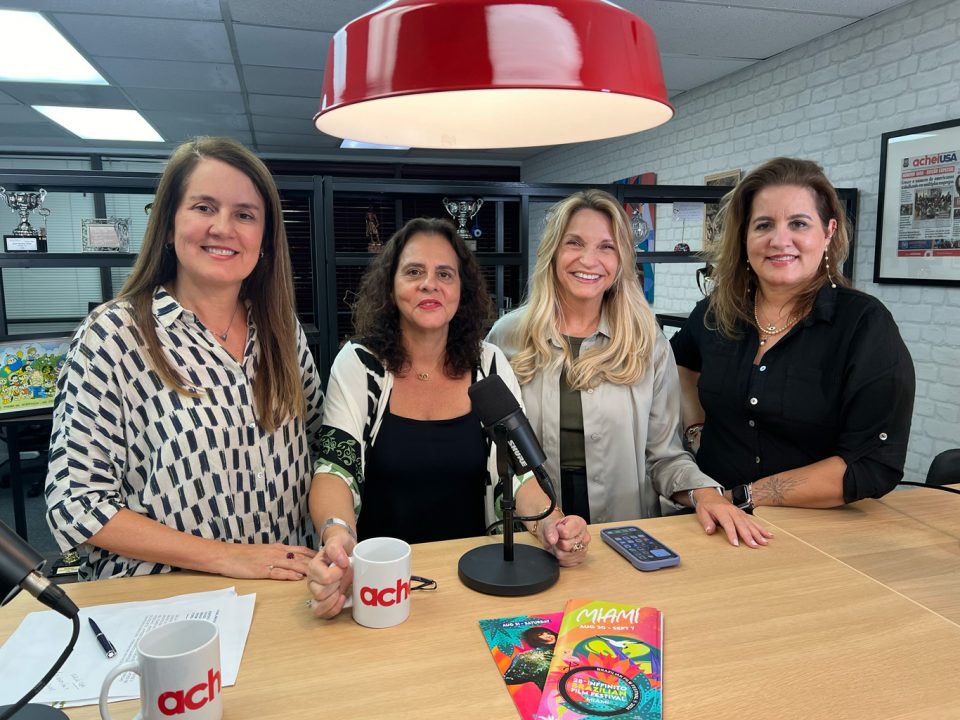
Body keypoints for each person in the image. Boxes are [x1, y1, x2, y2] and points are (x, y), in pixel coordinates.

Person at [45, 137, 323, 581]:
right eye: (204, 207)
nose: (223, 228)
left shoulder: (280, 329)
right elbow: (76, 503)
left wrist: (337, 529)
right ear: (169, 225)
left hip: (285, 593)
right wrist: (226, 557)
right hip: (162, 602)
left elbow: (318, 446)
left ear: (265, 238)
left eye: (245, 215)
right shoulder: (113, 336)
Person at [307, 217, 589, 618]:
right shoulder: (359, 365)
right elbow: (336, 469)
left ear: (462, 290)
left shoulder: (489, 363)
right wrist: (337, 535)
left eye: (444, 274)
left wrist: (551, 526)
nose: (429, 283)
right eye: (414, 272)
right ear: (391, 286)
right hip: (381, 586)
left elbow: (519, 472)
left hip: (474, 579)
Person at [487, 189, 770, 548]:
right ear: (553, 253)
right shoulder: (506, 337)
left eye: (606, 247)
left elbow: (663, 456)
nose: (590, 260)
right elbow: (497, 458)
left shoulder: (646, 341)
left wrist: (706, 493)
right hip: (530, 531)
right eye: (574, 243)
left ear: (621, 259)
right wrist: (545, 522)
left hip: (624, 535)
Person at [670, 157, 915, 510]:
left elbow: (873, 462)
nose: (779, 240)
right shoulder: (714, 313)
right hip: (711, 519)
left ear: (828, 232)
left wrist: (742, 496)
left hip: (815, 531)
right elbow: (680, 365)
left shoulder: (864, 326)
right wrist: (695, 429)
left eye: (798, 223)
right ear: (744, 237)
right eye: (763, 225)